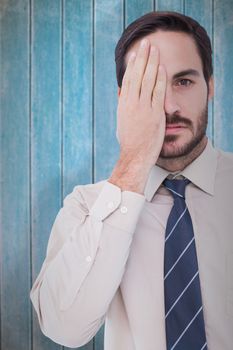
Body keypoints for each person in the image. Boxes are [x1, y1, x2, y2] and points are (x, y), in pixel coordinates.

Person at [30, 11, 233, 350]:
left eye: (183, 81)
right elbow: (63, 328)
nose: (168, 106)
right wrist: (134, 160)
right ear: (123, 99)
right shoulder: (86, 206)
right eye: (147, 86)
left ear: (210, 87)